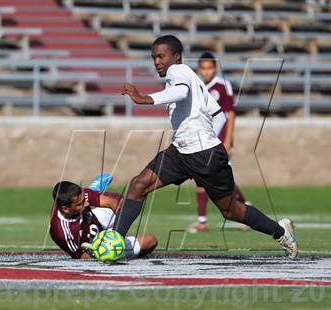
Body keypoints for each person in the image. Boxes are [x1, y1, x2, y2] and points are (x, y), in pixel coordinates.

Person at [116, 35, 298, 259]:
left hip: (203, 155)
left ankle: (281, 232)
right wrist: (206, 139)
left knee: (231, 210)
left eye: (161, 56)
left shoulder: (177, 72)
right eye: (153, 57)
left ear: (176, 57)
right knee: (139, 184)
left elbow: (181, 93)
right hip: (183, 151)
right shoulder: (195, 80)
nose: (156, 61)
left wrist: (144, 98)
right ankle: (113, 241)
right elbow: (218, 115)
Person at [188, 51, 251, 232]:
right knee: (201, 178)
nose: (207, 71)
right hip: (201, 140)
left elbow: (230, 114)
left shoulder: (223, 86)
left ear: (215, 68)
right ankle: (202, 221)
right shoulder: (196, 86)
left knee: (221, 179)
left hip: (219, 141)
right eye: (203, 68)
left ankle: (245, 209)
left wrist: (228, 139)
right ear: (199, 69)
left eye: (210, 68)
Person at [50, 180, 157, 259]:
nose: (87, 203)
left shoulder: (76, 197)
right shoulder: (62, 233)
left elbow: (111, 203)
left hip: (97, 219)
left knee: (123, 203)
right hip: (95, 246)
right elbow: (82, 257)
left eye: (84, 199)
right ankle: (93, 191)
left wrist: (118, 234)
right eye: (80, 204)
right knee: (150, 241)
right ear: (65, 209)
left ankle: (92, 191)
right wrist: (106, 251)